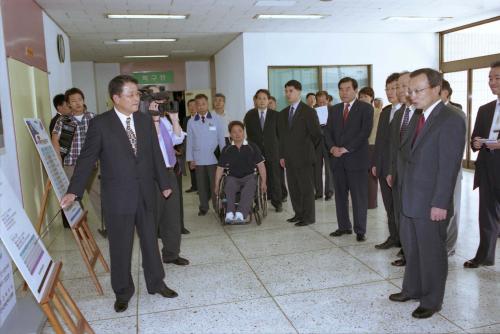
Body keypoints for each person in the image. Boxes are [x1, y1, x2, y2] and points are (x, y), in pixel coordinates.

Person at [60, 75, 178, 313]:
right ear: (116, 98)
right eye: (131, 94)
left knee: (149, 241)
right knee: (120, 246)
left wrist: (164, 182)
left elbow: (155, 153)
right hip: (117, 196)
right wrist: (74, 191)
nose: (137, 98)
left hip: (145, 191)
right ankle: (122, 291)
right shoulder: (101, 124)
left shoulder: (145, 121)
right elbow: (86, 159)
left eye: (137, 94)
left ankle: (156, 283)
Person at [389, 68, 466, 319]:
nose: (412, 95)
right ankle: (412, 288)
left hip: (432, 200)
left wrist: (441, 203)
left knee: (432, 251)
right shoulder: (417, 116)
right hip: (411, 196)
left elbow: (449, 166)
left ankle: (432, 300)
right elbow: (407, 155)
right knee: (412, 248)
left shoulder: (451, 118)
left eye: (417, 90)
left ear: (436, 89)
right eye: (410, 91)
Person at [325, 77, 373, 241]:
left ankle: (360, 230)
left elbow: (364, 133)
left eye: (347, 89)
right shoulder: (334, 109)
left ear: (355, 90)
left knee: (359, 197)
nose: (343, 92)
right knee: (340, 196)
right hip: (337, 161)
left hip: (356, 159)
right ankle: (344, 226)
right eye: (341, 89)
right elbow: (328, 132)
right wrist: (332, 148)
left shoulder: (366, 109)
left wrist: (345, 149)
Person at [464, 61, 500, 268]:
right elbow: (474, 139)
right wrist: (476, 142)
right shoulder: (485, 109)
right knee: (486, 215)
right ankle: (484, 256)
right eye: (490, 78)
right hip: (487, 169)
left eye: (497, 78)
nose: (492, 82)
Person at [52, 88, 101, 220]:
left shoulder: (93, 117)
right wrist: (58, 161)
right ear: (68, 104)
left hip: (92, 166)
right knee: (73, 199)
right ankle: (80, 227)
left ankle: (108, 225)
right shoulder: (63, 120)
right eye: (73, 101)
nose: (78, 103)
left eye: (80, 99)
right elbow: (55, 139)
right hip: (70, 165)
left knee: (98, 195)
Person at [278, 80, 322, 226]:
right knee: (294, 188)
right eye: (286, 91)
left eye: (291, 91)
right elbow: (282, 137)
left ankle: (308, 217)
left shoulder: (308, 111)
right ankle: (298, 213)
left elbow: (316, 135)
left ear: (299, 92)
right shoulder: (283, 113)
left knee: (306, 189)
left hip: (304, 158)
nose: (288, 94)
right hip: (289, 158)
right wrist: (282, 155)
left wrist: (307, 150)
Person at [386, 71, 418, 267]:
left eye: (403, 86)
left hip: (415, 176)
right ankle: (406, 250)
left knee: (412, 216)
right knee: (400, 215)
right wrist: (391, 170)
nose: (399, 90)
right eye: (398, 86)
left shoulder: (422, 114)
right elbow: (393, 146)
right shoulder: (399, 114)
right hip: (398, 173)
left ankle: (413, 254)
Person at [215, 121, 267, 223]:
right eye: (234, 132)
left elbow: (261, 165)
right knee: (229, 184)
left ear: (244, 132)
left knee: (251, 184)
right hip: (233, 177)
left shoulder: (252, 147)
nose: (237, 134)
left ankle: (241, 213)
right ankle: (229, 213)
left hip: (249, 176)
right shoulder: (227, 149)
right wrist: (216, 185)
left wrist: (264, 182)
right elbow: (220, 168)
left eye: (240, 131)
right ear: (230, 134)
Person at [372, 73, 401, 250]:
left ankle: (405, 242)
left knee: (401, 207)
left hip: (398, 169)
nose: (390, 92)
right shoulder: (385, 112)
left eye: (394, 88)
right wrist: (375, 163)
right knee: (389, 206)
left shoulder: (409, 112)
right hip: (383, 167)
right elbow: (379, 141)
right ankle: (394, 236)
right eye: (387, 89)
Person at [186, 94, 226, 216]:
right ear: (195, 106)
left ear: (207, 104)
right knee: (201, 185)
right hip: (198, 159)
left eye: (203, 103)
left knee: (215, 184)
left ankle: (216, 205)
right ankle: (203, 206)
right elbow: (190, 141)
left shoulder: (216, 118)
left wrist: (224, 157)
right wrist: (190, 159)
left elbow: (221, 139)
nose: (201, 106)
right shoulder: (191, 121)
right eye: (198, 104)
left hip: (214, 158)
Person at [244, 89, 283, 212]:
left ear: (268, 100)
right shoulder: (249, 115)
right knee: (256, 178)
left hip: (273, 151)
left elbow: (280, 136)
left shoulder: (276, 115)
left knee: (275, 177)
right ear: (255, 100)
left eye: (264, 98)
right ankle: (258, 202)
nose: (261, 101)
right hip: (256, 153)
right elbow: (248, 135)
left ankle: (277, 202)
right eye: (259, 98)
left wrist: (282, 154)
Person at [359, 86, 379, 209]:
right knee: (361, 176)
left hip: (372, 145)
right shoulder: (359, 112)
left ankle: (371, 202)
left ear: (371, 98)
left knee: (371, 176)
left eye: (365, 97)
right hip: (360, 146)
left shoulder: (377, 112)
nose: (362, 99)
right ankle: (362, 201)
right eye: (360, 97)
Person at [314, 90, 334, 200]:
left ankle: (329, 191)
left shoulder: (333, 110)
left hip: (329, 142)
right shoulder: (313, 111)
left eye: (323, 102)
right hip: (317, 143)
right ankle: (318, 191)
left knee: (329, 168)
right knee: (317, 167)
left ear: (327, 100)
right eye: (319, 102)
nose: (321, 104)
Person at [269, 95, 289, 202]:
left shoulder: (279, 116)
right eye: (268, 103)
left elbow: (283, 135)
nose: (269, 105)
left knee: (280, 175)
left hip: (278, 149)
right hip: (269, 149)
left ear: (275, 104)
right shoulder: (265, 117)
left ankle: (283, 194)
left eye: (271, 103)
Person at [183, 99, 198, 193]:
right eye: (190, 106)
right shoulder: (186, 119)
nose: (192, 108)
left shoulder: (200, 118)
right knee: (191, 168)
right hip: (189, 147)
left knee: (199, 169)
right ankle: (194, 186)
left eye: (194, 105)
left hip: (198, 147)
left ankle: (202, 188)